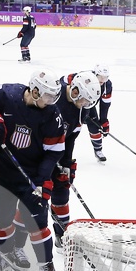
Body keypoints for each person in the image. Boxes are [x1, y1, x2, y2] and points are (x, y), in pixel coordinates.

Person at [0, 68, 66, 271]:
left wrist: (44, 179)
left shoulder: (52, 115)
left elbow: (54, 151)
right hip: (3, 173)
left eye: (55, 97)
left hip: (32, 176)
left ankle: (47, 268)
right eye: (47, 96)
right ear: (34, 91)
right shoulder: (4, 95)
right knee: (1, 221)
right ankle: (5, 256)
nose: (52, 101)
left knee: (36, 222)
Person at [51, 70, 102, 244]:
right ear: (75, 91)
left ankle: (61, 234)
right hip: (37, 155)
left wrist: (65, 163)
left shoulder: (82, 109)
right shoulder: (54, 97)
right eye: (84, 100)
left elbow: (71, 137)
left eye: (89, 102)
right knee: (34, 199)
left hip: (57, 153)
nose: (85, 104)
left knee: (61, 192)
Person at [84, 64, 113, 163]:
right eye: (100, 77)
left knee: (95, 127)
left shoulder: (107, 85)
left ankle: (98, 150)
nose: (102, 80)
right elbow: (65, 80)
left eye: (105, 78)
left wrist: (104, 121)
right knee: (71, 129)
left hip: (90, 105)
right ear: (95, 74)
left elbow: (105, 104)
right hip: (76, 106)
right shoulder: (86, 78)